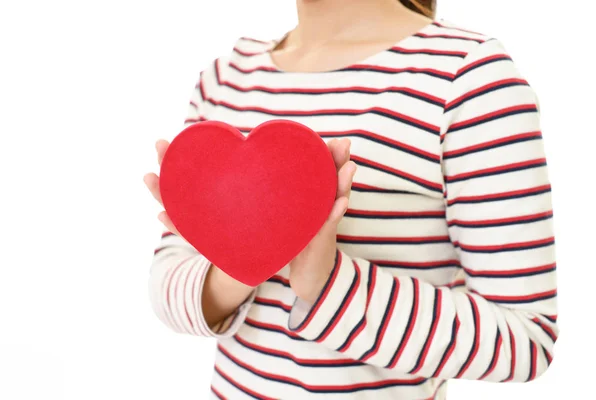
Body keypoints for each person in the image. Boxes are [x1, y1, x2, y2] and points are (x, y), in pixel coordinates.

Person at [143, 0, 559, 398]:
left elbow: (527, 338)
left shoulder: (470, 78)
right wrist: (248, 256)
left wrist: (328, 283)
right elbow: (167, 287)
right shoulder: (225, 79)